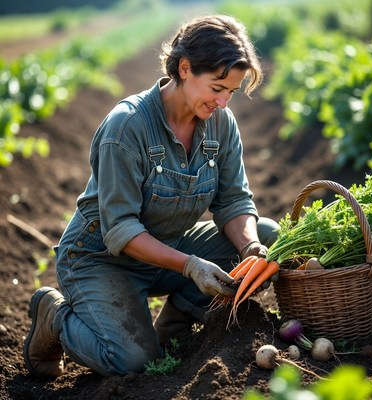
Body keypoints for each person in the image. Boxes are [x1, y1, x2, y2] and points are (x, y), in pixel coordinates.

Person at [23, 14, 279, 378]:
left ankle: (175, 323)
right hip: (100, 258)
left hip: (166, 248)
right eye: (217, 88)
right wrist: (190, 265)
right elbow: (122, 230)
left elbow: (234, 201)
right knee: (131, 362)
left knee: (266, 234)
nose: (223, 102)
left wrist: (251, 248)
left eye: (232, 92)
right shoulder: (127, 126)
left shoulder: (221, 124)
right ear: (186, 68)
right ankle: (55, 316)